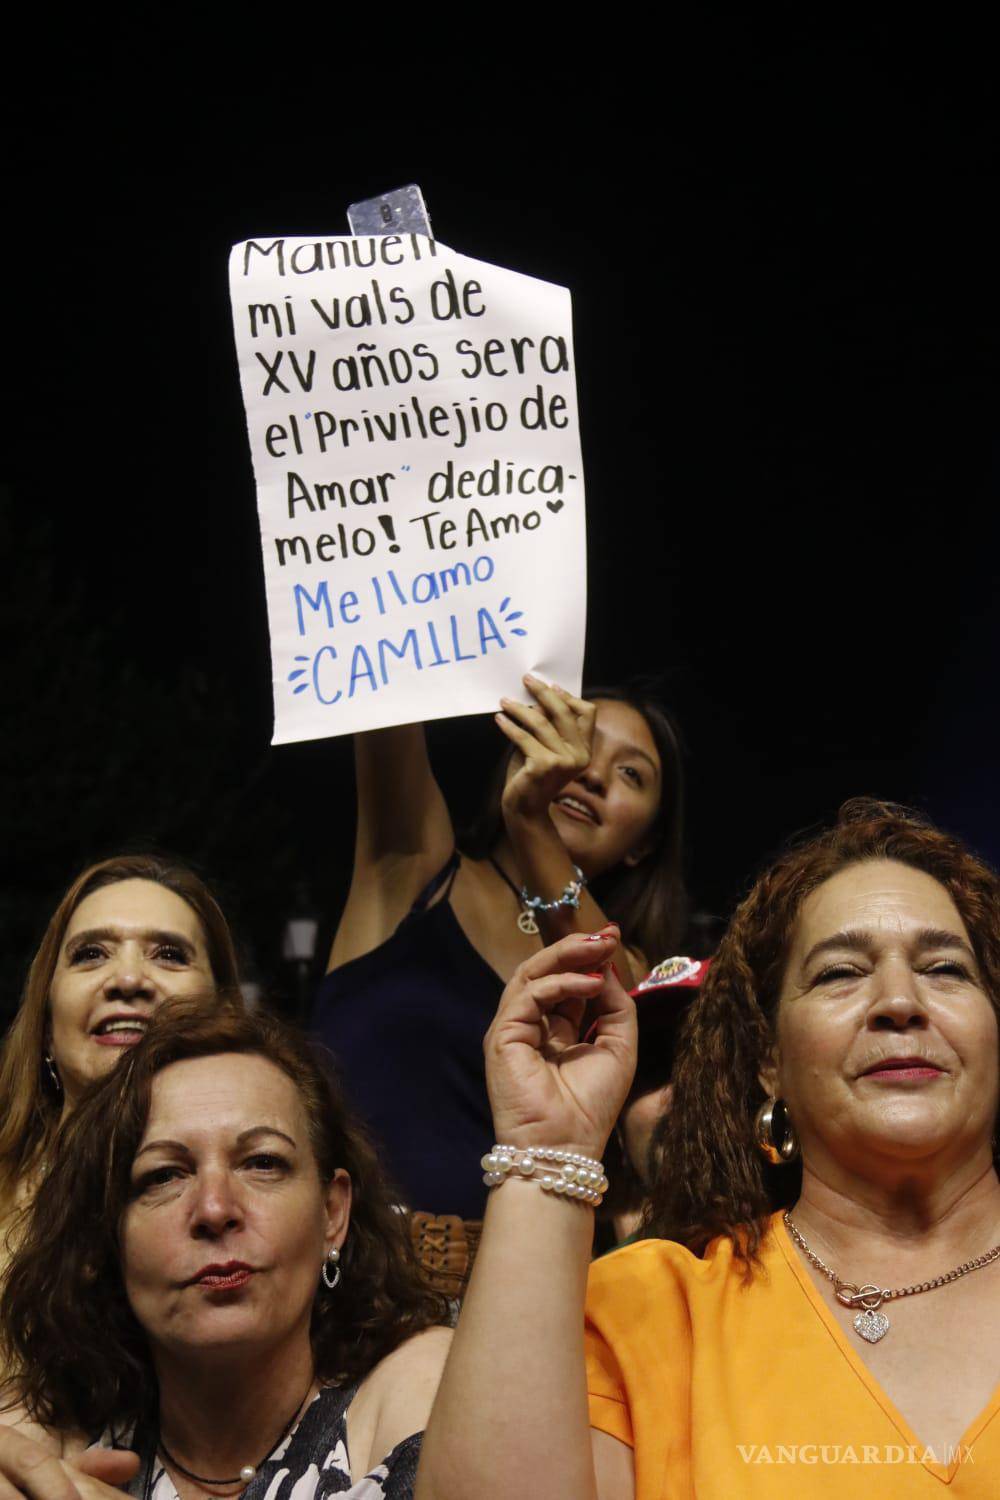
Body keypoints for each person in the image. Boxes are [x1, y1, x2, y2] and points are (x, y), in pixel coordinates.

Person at [416, 799, 1000, 1497]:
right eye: (840, 973)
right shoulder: (649, 1313)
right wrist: (548, 1147)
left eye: (946, 969)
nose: (900, 1001)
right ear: (770, 1063)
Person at [0, 997, 451, 1500]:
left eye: (262, 1163)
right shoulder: (46, 1436)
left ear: (332, 1214)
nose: (214, 1209)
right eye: (164, 1175)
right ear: (109, 1237)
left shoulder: (420, 1387)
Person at [310, 679, 687, 1255]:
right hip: (340, 1279)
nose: (588, 772)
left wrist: (531, 818)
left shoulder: (635, 979)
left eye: (630, 773)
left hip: (524, 1301)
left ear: (642, 846)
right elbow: (384, 687)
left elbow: (597, 976)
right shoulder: (411, 869)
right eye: (576, 740)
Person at [0, 853, 241, 1249]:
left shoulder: (267, 1204)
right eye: (91, 954)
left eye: (169, 955)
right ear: (45, 1028)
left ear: (225, 1014)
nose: (128, 979)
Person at [594, 955, 709, 1252]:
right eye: (652, 1070)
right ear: (617, 1132)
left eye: (707, 1062)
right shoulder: (599, 1289)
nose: (676, 1094)